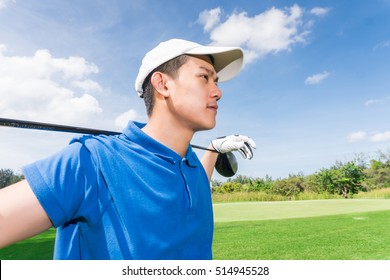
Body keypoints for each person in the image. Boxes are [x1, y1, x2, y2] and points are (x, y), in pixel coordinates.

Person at [0, 38, 256, 259]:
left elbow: (188, 182)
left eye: (217, 81)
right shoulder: (92, 161)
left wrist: (212, 149)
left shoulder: (192, 168)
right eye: (204, 77)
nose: (218, 92)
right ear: (162, 84)